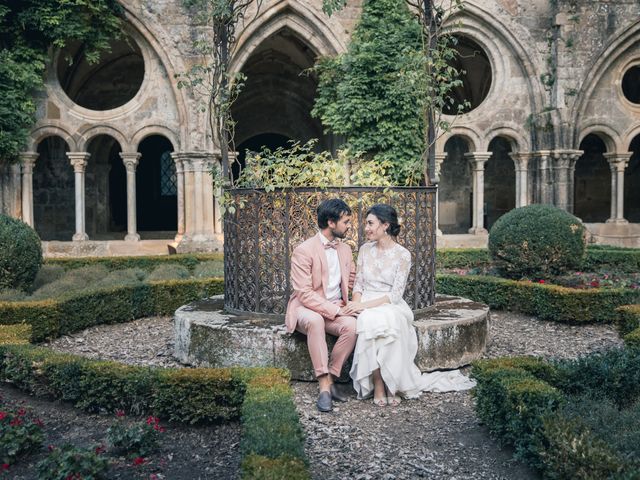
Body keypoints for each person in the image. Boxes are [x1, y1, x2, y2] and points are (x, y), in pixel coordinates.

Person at [343, 204, 475, 406]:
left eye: (370, 223)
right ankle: (378, 383)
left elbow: (395, 295)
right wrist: (357, 304)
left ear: (385, 225)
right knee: (369, 320)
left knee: (391, 320)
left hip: (390, 303)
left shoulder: (403, 254)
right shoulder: (364, 250)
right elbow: (359, 283)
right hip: (367, 300)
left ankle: (391, 384)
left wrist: (366, 306)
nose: (366, 228)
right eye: (366, 223)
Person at [285, 198, 358, 412]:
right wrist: (335, 310)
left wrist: (347, 304)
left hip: (335, 307)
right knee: (316, 320)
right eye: (345, 221)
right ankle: (324, 385)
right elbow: (304, 293)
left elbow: (351, 278)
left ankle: (333, 378)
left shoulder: (344, 249)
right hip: (305, 308)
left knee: (352, 327)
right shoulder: (304, 250)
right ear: (331, 222)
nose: (349, 225)